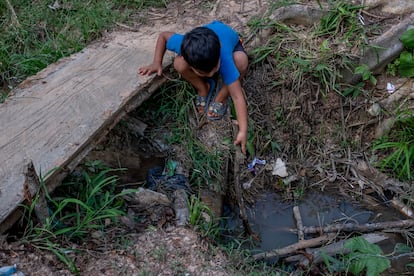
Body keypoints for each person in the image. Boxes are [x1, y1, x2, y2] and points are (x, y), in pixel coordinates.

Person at [138, 20, 248, 154]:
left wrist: (243, 130)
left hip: (232, 45)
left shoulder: (223, 55)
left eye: (215, 69)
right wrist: (156, 63)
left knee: (241, 61)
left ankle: (221, 97)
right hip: (208, 42)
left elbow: (237, 97)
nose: (212, 73)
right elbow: (163, 36)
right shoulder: (185, 45)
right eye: (204, 73)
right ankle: (203, 88)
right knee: (178, 64)